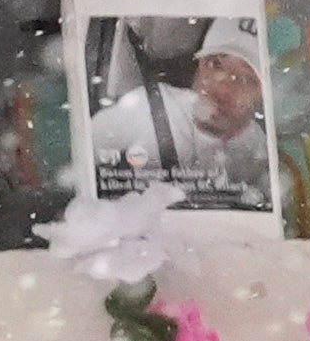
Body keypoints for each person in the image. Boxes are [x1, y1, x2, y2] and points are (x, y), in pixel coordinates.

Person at [86, 19, 276, 213]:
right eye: (216, 64)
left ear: (263, 95)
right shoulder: (150, 108)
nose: (223, 86)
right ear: (199, 64)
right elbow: (75, 159)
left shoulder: (267, 157)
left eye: (246, 79)